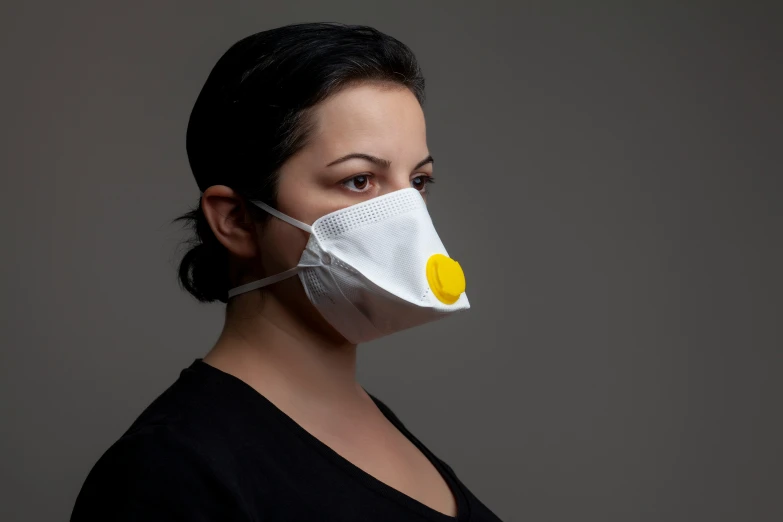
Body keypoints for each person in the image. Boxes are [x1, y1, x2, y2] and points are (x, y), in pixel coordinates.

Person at [70, 22, 502, 522]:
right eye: (359, 180)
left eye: (418, 181)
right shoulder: (171, 470)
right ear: (235, 220)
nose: (406, 218)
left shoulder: (374, 421)